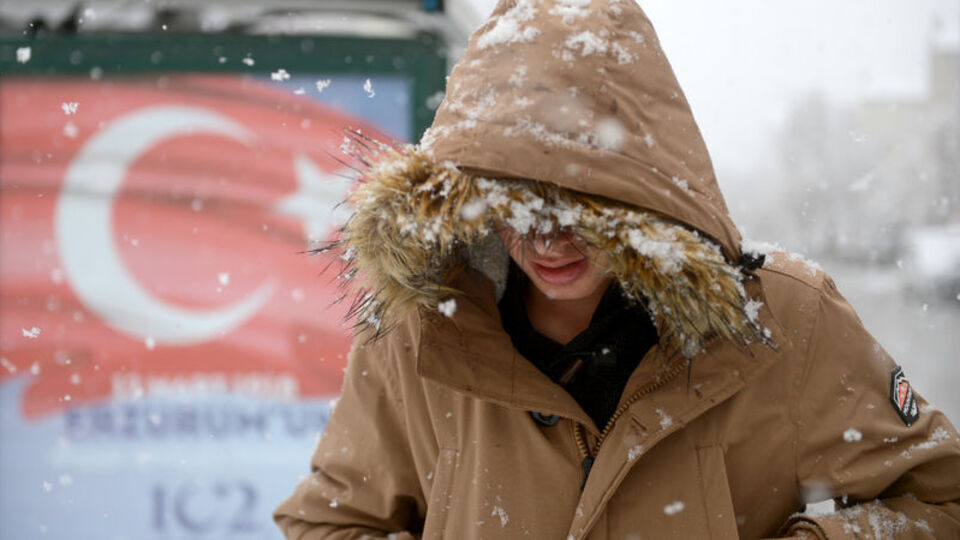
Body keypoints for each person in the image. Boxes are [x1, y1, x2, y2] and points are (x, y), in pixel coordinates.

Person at [274, 0, 960, 538]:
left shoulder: (783, 322)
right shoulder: (416, 333)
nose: (547, 240)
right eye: (517, 204)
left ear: (646, 198)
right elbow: (329, 522)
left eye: (584, 207)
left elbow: (940, 503)